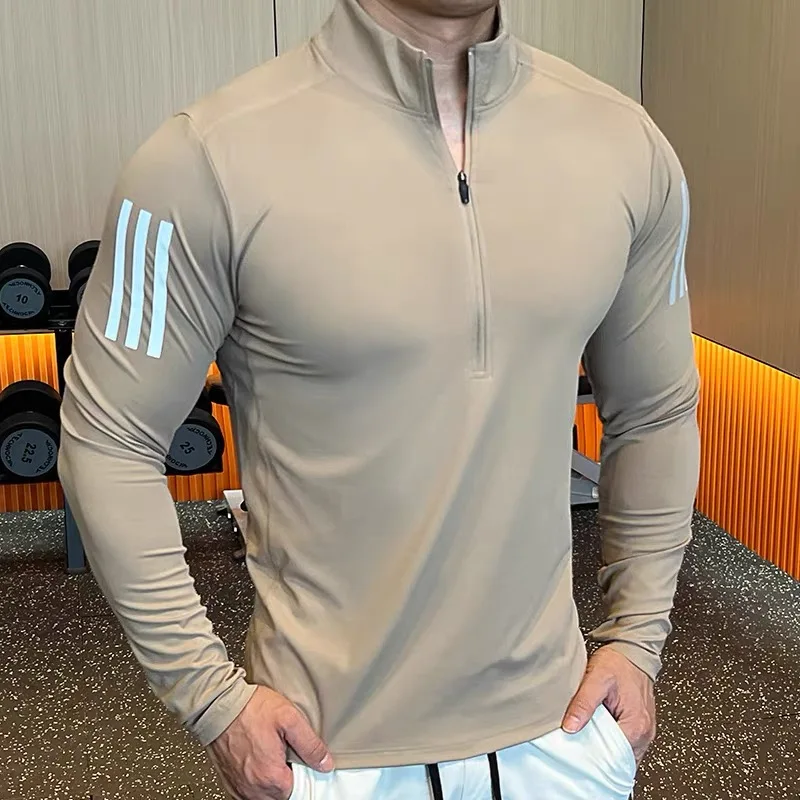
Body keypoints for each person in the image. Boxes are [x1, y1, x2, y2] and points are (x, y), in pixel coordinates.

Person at [58, 0, 700, 797]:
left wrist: (637, 638)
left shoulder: (625, 145)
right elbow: (107, 441)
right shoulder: (202, 160)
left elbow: (656, 412)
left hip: (562, 736)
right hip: (331, 753)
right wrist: (209, 699)